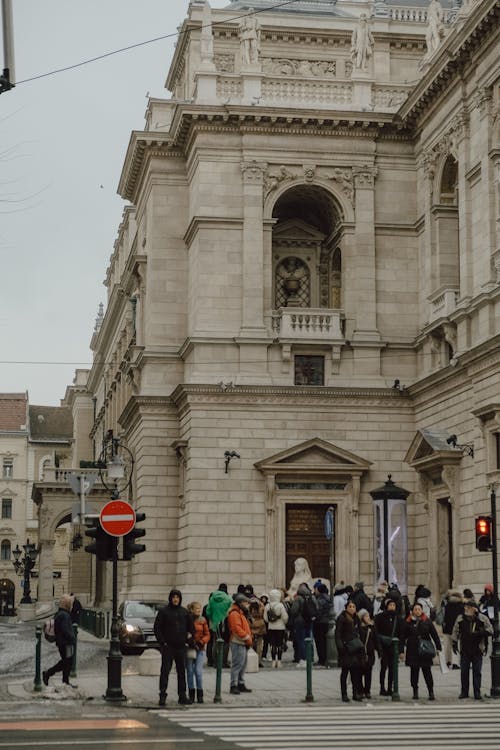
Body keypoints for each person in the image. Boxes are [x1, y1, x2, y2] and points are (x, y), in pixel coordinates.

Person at [154, 589, 193, 706]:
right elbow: (157, 628)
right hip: (168, 647)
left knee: (182, 672)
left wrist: (188, 639)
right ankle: (162, 694)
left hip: (181, 647)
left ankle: (182, 695)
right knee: (165, 671)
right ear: (170, 598)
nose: (175, 599)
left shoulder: (184, 612)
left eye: (177, 597)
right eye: (174, 597)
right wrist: (162, 642)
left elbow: (191, 628)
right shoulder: (164, 611)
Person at [452, 599, 493, 700]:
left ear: (474, 609)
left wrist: (480, 632)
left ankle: (477, 692)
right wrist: (454, 642)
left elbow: (490, 630)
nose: (466, 609)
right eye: (466, 607)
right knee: (464, 672)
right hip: (465, 649)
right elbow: (455, 631)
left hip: (477, 649)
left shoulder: (482, 618)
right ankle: (464, 692)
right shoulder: (461, 618)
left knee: (477, 672)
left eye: (468, 607)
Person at [402, 602, 441, 700]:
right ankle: (415, 691)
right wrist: (401, 650)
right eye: (415, 609)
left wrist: (438, 647)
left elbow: (434, 634)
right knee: (414, 672)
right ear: (412, 611)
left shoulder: (427, 621)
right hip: (413, 650)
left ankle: (430, 691)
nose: (417, 611)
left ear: (422, 610)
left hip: (425, 650)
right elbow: (403, 636)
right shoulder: (408, 621)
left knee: (427, 671)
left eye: (419, 609)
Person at [43, 594, 76, 688]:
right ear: (67, 604)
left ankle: (65, 681)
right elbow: (65, 629)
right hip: (66, 643)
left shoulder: (59, 613)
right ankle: (48, 673)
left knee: (66, 662)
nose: (71, 605)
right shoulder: (65, 615)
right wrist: (72, 638)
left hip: (61, 642)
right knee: (67, 662)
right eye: (70, 603)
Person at [335, 600, 364, 702]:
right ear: (346, 608)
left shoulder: (356, 618)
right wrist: (341, 647)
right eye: (350, 607)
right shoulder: (342, 618)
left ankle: (355, 693)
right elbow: (337, 634)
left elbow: (360, 632)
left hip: (355, 649)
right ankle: (344, 694)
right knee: (345, 672)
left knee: (355, 673)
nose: (352, 608)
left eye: (353, 607)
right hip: (346, 649)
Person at [374, 597, 402, 696]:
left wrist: (401, 649)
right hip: (383, 646)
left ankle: (390, 688)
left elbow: (400, 633)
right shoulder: (380, 617)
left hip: (393, 646)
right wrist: (378, 646)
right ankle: (382, 687)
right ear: (386, 606)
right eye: (390, 605)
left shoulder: (397, 618)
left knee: (392, 668)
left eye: (394, 605)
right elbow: (376, 631)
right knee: (383, 667)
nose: (392, 607)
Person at [227, 593, 253, 695]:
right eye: (246, 602)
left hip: (243, 641)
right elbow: (236, 628)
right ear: (241, 603)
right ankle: (233, 685)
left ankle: (240, 683)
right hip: (238, 641)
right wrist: (246, 637)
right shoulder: (235, 613)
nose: (248, 604)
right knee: (237, 664)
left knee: (243, 664)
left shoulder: (240, 612)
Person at [186, 601, 210, 704]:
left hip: (200, 648)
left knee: (198, 672)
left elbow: (207, 634)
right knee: (190, 672)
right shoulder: (187, 620)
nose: (199, 611)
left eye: (199, 609)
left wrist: (201, 642)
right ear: (191, 610)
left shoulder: (202, 620)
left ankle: (200, 694)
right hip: (190, 648)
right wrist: (190, 642)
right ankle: (191, 693)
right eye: (197, 609)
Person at [290, 582, 316, 668]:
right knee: (309, 640)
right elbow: (316, 608)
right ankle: (311, 658)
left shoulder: (298, 598)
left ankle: (303, 659)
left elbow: (293, 610)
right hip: (309, 620)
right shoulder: (312, 597)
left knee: (301, 640)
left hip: (300, 622)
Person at [205, 584, 232, 668]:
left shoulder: (212, 598)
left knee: (215, 643)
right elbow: (231, 611)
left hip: (215, 625)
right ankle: (224, 662)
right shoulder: (229, 599)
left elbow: (208, 612)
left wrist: (213, 618)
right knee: (226, 643)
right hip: (226, 624)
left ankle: (215, 663)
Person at [264, 588, 288, 668]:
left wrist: (270, 622)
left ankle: (273, 661)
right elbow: (285, 617)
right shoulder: (280, 605)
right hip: (280, 628)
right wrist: (284, 622)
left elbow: (265, 618)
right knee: (279, 645)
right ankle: (279, 661)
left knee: (273, 645)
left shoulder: (268, 605)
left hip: (271, 628)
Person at [440, 589, 463, 669]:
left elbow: (445, 617)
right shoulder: (461, 605)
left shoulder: (448, 605)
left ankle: (447, 661)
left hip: (447, 627)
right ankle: (455, 662)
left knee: (447, 645)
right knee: (456, 645)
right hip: (456, 628)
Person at [358, 608, 376, 699]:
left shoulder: (372, 627)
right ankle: (360, 690)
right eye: (366, 616)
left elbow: (376, 639)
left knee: (369, 672)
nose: (368, 618)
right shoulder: (359, 627)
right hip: (361, 653)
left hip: (370, 652)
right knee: (360, 672)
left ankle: (367, 690)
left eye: (368, 616)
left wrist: (379, 650)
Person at [313, 583, 331, 667]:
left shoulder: (320, 600)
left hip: (320, 623)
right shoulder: (328, 598)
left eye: (316, 589)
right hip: (326, 622)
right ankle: (325, 658)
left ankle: (322, 660)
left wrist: (314, 617)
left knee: (320, 642)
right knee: (324, 641)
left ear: (319, 590)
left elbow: (318, 612)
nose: (315, 591)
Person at [249, 599, 266, 667]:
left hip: (251, 624)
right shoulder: (261, 607)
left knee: (251, 643)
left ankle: (251, 658)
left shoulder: (249, 608)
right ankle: (259, 661)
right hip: (260, 625)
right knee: (259, 644)